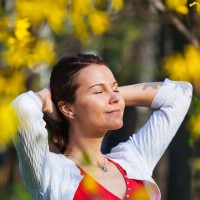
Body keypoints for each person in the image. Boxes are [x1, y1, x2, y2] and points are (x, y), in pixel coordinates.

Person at [12, 54, 192, 200]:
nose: (115, 97)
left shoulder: (133, 160)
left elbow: (180, 94)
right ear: (68, 108)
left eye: (115, 89)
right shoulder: (50, 173)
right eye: (98, 91)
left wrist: (112, 97)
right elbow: (22, 108)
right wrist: (48, 94)